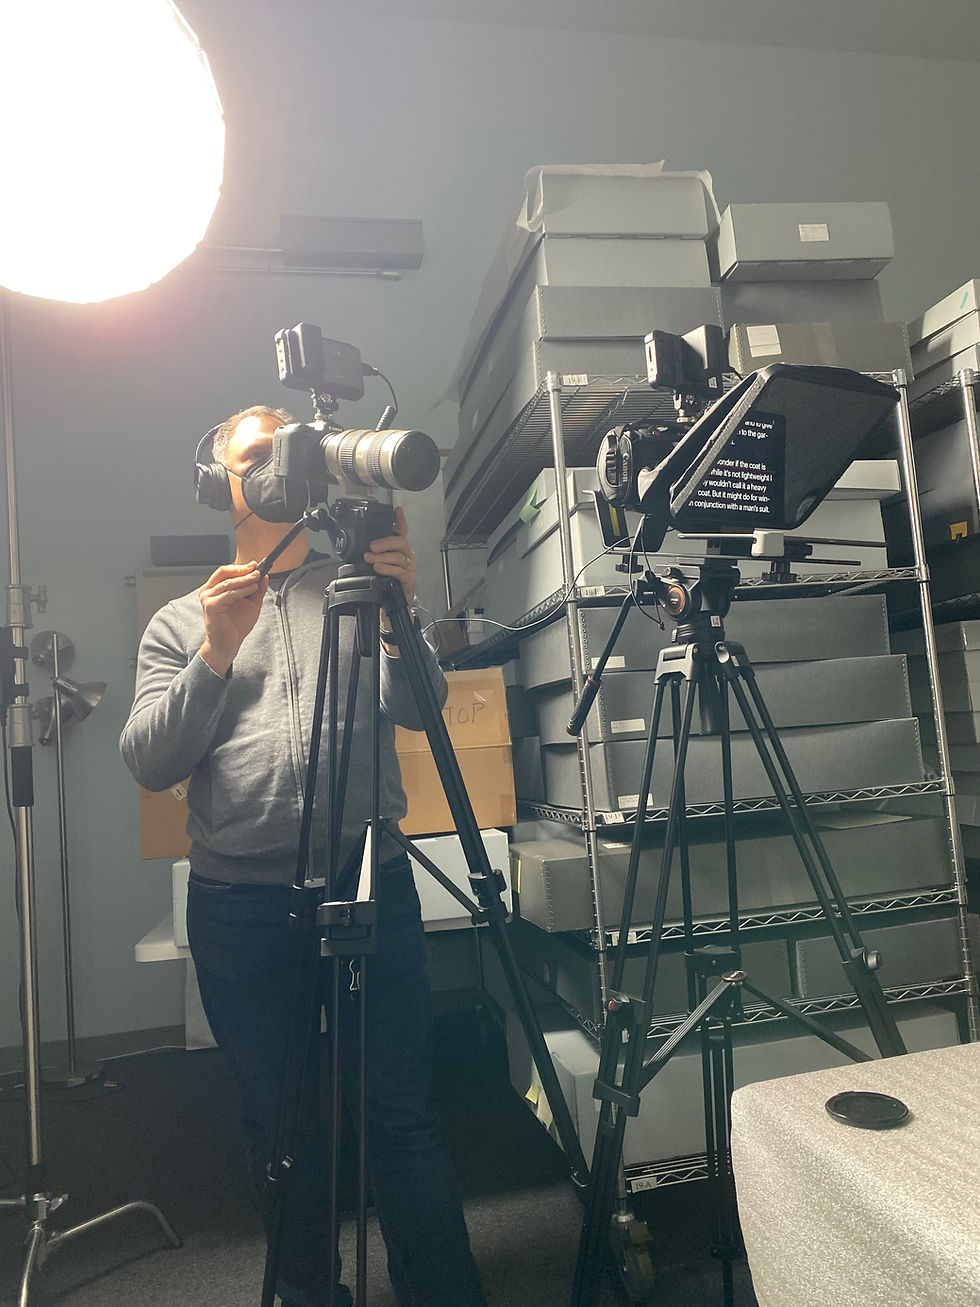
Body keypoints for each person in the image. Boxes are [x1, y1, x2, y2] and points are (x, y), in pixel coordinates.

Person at [120, 406, 487, 1307]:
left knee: (401, 1115)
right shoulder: (181, 619)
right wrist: (215, 653)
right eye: (258, 453)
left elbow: (422, 709)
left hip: (370, 883)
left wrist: (398, 613)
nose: (283, 464)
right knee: (281, 1124)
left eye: (293, 447)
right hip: (240, 910)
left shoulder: (361, 586)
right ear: (219, 483)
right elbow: (149, 760)